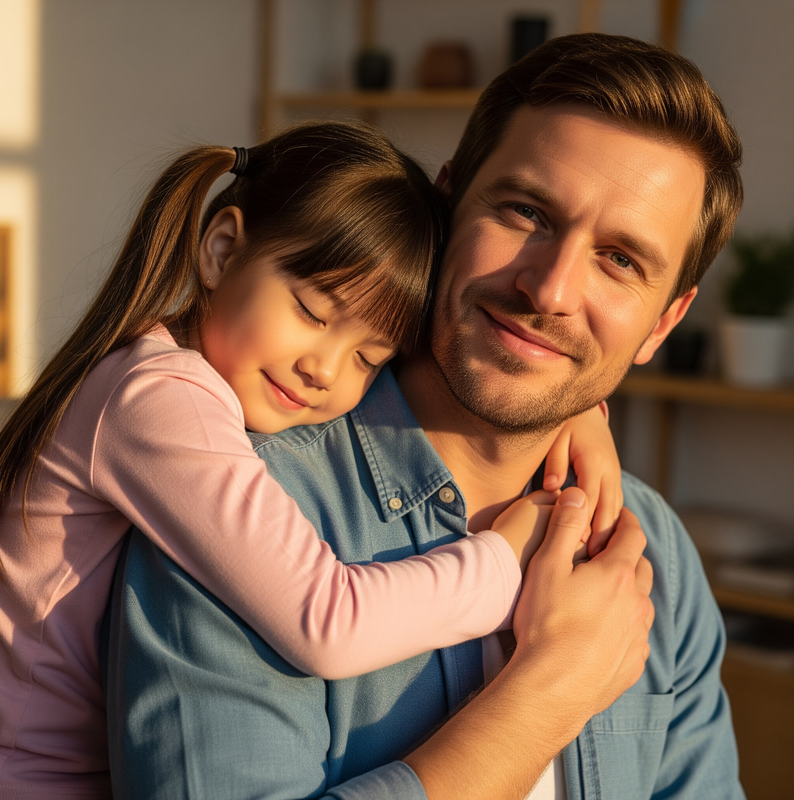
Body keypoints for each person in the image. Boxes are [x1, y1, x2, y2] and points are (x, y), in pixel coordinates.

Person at [104, 32, 745, 800]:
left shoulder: (654, 556)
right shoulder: (236, 504)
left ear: (664, 325)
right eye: (525, 211)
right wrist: (547, 698)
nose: (549, 290)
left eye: (620, 260)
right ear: (446, 205)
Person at [0, 121, 624, 798]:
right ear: (222, 249)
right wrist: (509, 563)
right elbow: (326, 620)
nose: (323, 368)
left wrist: (577, 410)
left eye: (367, 357)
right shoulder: (159, 400)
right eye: (311, 311)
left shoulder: (162, 377)